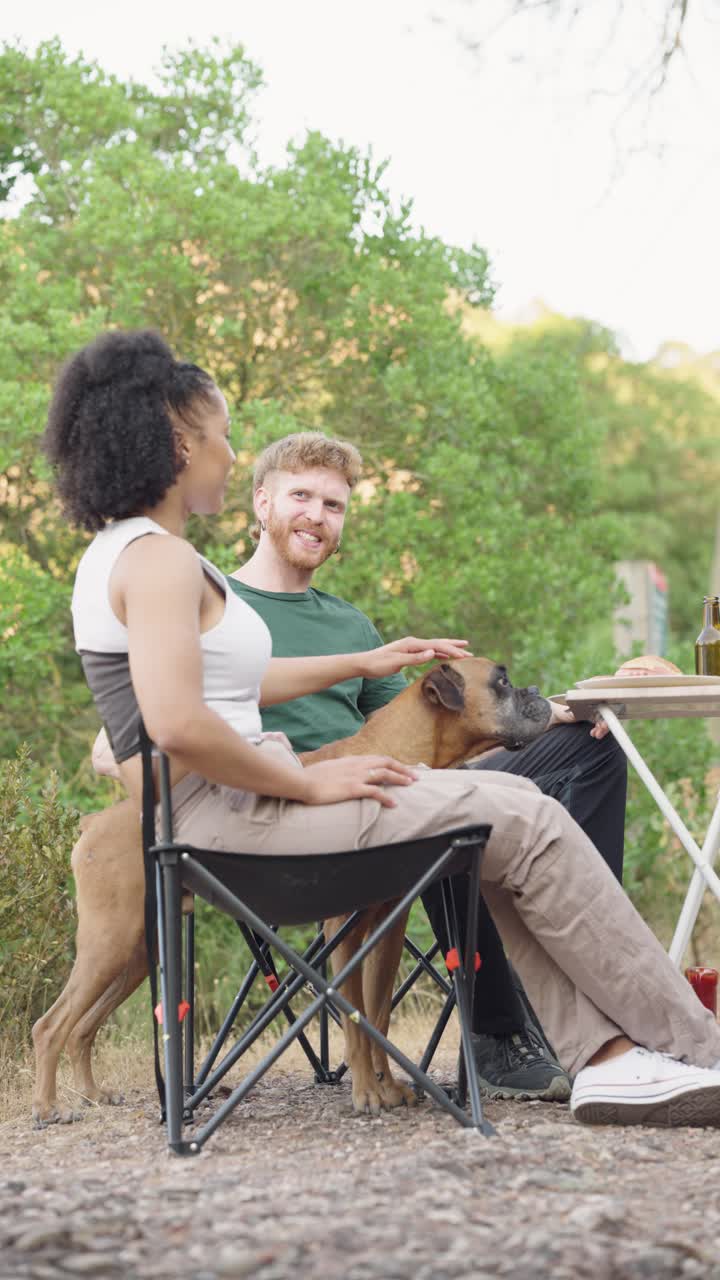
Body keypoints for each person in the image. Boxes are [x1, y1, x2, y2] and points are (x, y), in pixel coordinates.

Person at [45, 328, 720, 1130]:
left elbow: (222, 686)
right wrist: (304, 776)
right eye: (224, 438)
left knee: (501, 822)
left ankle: (609, 1059)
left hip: (231, 808)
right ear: (180, 442)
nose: (230, 456)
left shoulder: (134, 554)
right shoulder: (156, 560)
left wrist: (365, 662)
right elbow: (178, 723)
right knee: (528, 817)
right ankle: (692, 1047)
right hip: (236, 816)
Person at [227, 431, 628, 1101]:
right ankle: (498, 1035)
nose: (318, 516)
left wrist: (562, 709)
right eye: (302, 496)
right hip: (296, 815)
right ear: (261, 500)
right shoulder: (219, 609)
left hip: (392, 785)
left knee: (593, 747)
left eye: (334, 505)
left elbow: (440, 733)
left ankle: (581, 997)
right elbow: (158, 719)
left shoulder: (351, 625)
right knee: (445, 811)